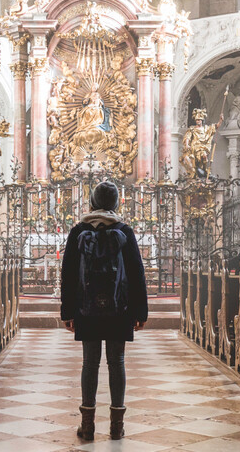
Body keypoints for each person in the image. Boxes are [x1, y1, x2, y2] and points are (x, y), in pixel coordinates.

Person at [61, 181, 148, 442]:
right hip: (119, 307)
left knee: (90, 363)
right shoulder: (124, 231)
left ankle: (87, 426)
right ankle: (116, 426)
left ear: (92, 202)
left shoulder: (79, 230)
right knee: (116, 362)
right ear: (116, 203)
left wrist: (68, 311)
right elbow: (136, 274)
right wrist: (140, 312)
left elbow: (68, 274)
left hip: (86, 307)